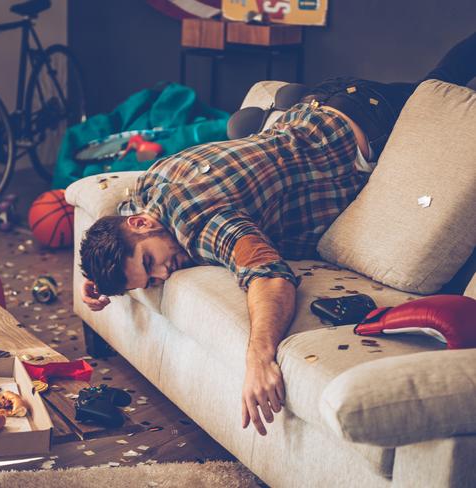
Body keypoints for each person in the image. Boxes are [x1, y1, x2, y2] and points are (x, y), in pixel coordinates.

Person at [78, 31, 476, 437]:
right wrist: (103, 277)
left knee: (444, 91)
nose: (163, 275)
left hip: (368, 122)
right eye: (150, 280)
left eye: (150, 263)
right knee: (440, 80)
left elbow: (269, 276)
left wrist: (260, 358)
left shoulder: (199, 222)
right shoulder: (150, 188)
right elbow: (118, 218)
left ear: (142, 226)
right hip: (324, 104)